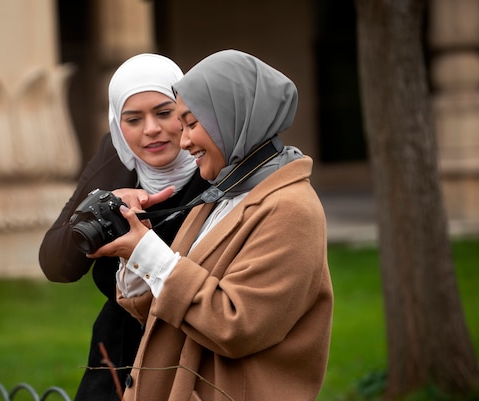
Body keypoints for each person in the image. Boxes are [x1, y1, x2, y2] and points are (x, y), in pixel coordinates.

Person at [90, 49, 333, 401]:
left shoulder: (291, 208)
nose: (184, 141)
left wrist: (149, 252)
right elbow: (159, 308)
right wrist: (133, 244)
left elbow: (234, 325)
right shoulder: (223, 193)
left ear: (231, 117)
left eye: (191, 123)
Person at [39, 53, 209, 401]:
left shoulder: (214, 175)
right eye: (133, 119)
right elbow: (56, 263)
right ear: (118, 124)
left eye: (164, 113)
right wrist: (107, 201)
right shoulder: (117, 161)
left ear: (187, 112)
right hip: (114, 366)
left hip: (191, 371)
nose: (150, 129)